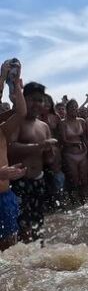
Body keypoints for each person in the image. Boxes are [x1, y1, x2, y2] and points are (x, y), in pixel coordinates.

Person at [8, 82, 59, 243]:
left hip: (39, 180)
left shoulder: (44, 126)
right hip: (19, 182)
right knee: (23, 228)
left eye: (40, 100)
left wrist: (50, 152)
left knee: (39, 225)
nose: (37, 104)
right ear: (23, 99)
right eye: (32, 99)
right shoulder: (17, 121)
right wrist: (39, 146)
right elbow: (10, 148)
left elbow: (48, 159)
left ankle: (37, 262)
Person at [0, 74, 27, 250]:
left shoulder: (2, 130)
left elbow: (21, 112)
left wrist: (16, 84)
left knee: (10, 249)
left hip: (5, 196)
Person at [59, 99, 88, 202]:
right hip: (70, 154)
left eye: (76, 107)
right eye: (72, 107)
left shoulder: (82, 121)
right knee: (75, 179)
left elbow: (85, 138)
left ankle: (84, 200)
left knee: (84, 178)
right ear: (67, 109)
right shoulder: (63, 123)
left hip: (83, 152)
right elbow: (63, 140)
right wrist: (74, 144)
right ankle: (75, 199)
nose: (74, 109)